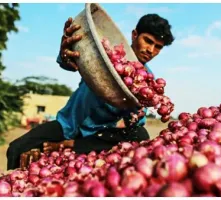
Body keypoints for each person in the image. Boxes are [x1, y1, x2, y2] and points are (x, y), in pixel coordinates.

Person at [6, 13, 175, 170]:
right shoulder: (106, 54)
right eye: (148, 41)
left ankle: (71, 145)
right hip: (68, 124)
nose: (150, 50)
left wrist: (136, 110)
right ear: (134, 34)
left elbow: (136, 122)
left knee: (140, 134)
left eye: (158, 47)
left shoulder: (148, 81)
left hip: (99, 134)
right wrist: (66, 53)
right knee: (16, 148)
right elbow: (72, 61)